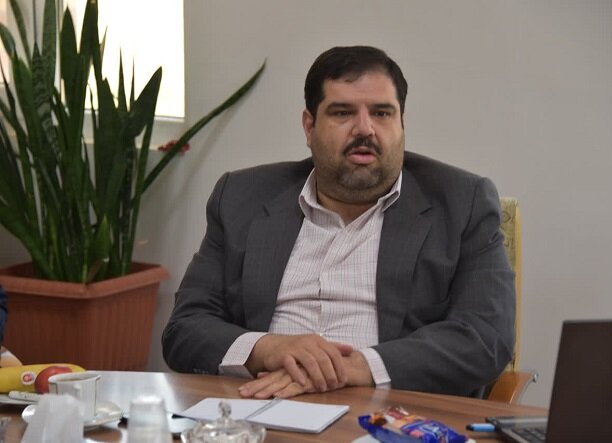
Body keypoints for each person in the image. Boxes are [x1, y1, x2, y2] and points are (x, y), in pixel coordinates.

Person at [162, 46, 515, 399]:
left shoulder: (462, 202)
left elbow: (485, 337)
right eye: (343, 112)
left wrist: (352, 368)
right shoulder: (242, 197)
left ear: (402, 123)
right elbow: (185, 328)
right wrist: (267, 348)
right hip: (258, 402)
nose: (365, 129)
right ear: (309, 126)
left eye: (382, 113)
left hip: (388, 413)